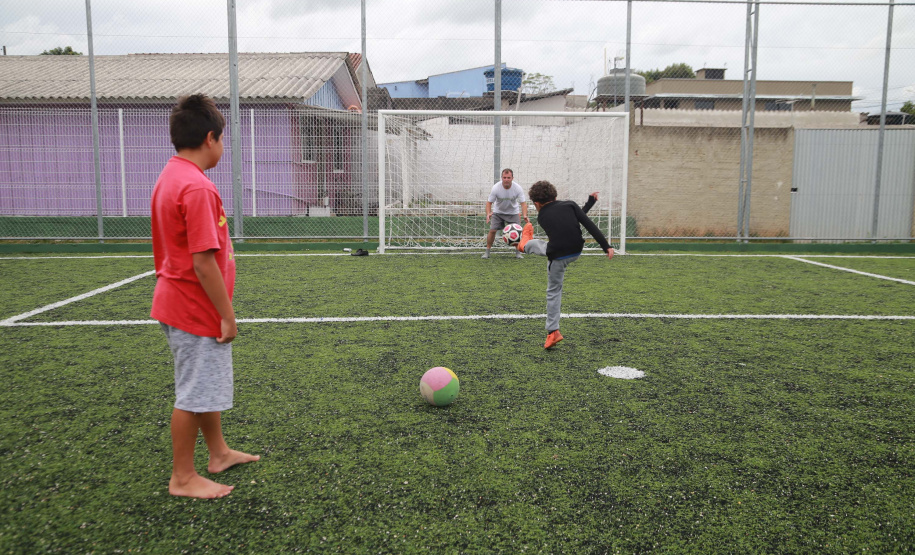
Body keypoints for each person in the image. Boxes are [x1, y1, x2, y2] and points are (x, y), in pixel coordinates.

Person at [151, 94, 259, 499]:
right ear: (210, 138)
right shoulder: (197, 188)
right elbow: (203, 262)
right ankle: (182, 477)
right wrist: (227, 315)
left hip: (180, 302)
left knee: (204, 385)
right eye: (223, 140)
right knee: (193, 393)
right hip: (194, 307)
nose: (223, 148)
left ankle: (218, 453)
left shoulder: (171, 174)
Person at [516, 181, 613, 349]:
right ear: (556, 196)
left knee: (553, 291)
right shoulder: (570, 205)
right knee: (546, 246)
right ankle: (526, 244)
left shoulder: (542, 216)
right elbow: (586, 223)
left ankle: (523, 245)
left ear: (536, 204)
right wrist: (606, 246)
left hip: (558, 255)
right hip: (576, 251)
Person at [483, 168, 529, 259]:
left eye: (508, 177)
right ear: (501, 178)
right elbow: (489, 203)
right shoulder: (496, 188)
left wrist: (524, 215)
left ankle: (518, 253)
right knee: (492, 231)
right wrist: (488, 213)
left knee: (518, 232)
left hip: (513, 213)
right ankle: (487, 252)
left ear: (512, 178)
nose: (506, 179)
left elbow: (523, 204)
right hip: (498, 212)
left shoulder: (518, 188)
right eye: (504, 177)